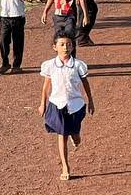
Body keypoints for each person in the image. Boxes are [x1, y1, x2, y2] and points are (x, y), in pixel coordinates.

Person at [39, 32, 95, 181]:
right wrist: (42, 103)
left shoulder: (78, 65)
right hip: (57, 104)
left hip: (75, 105)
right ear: (54, 47)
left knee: (74, 133)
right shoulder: (50, 65)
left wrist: (90, 100)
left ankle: (75, 135)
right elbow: (45, 87)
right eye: (62, 44)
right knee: (62, 134)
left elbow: (85, 84)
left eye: (69, 44)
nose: (65, 47)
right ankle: (65, 166)